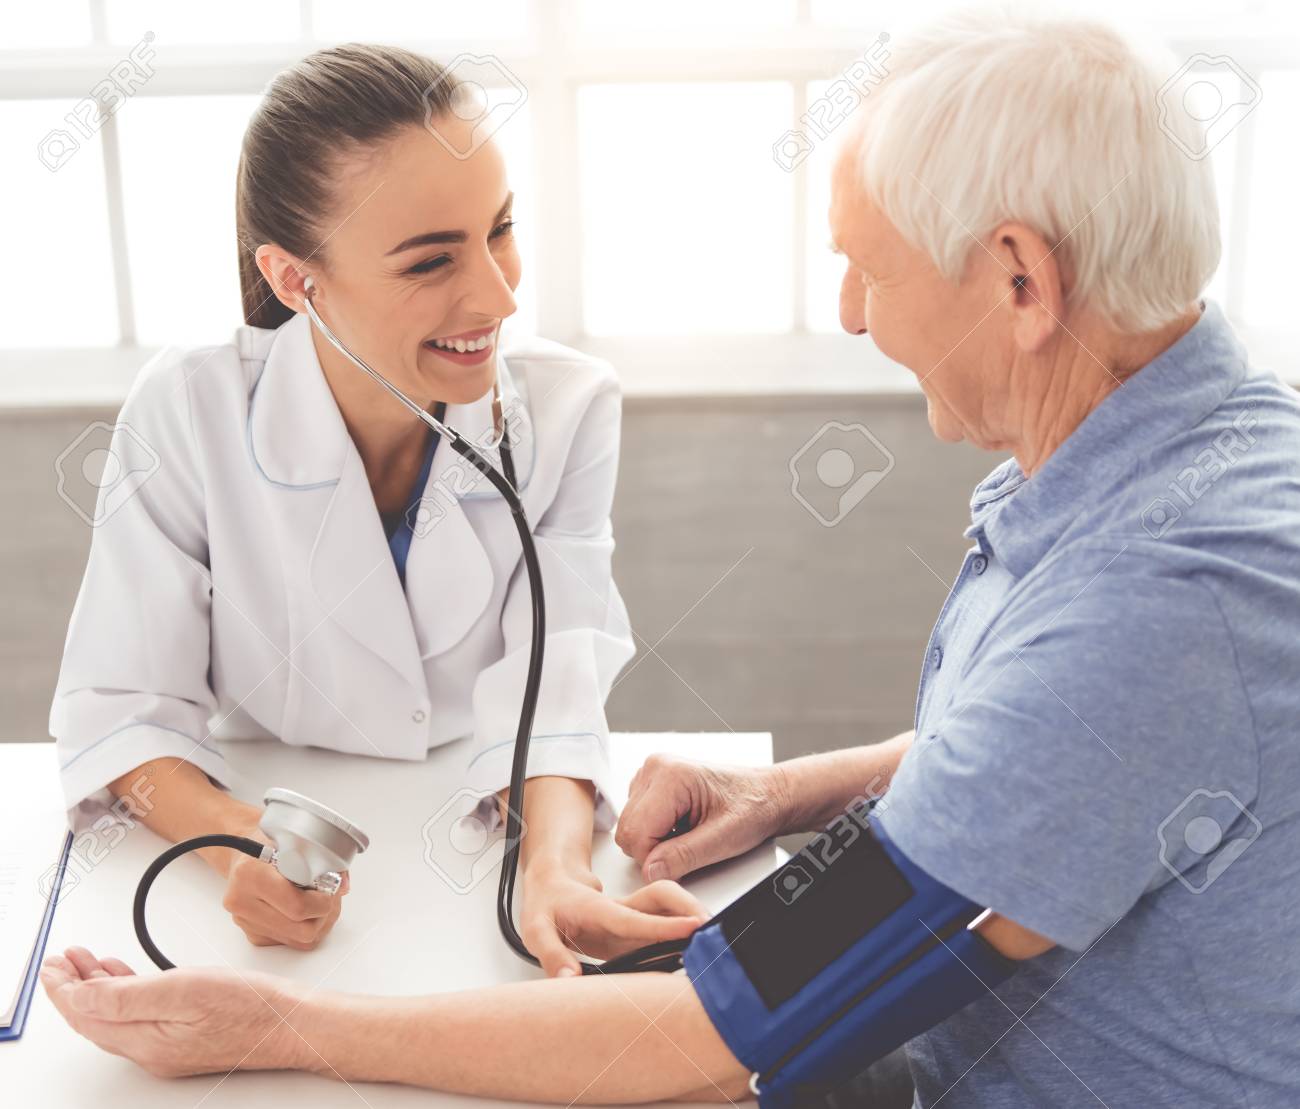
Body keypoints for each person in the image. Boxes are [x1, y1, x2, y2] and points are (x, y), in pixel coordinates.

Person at [42, 9, 1300, 1106]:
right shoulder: (1205, 458)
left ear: (1019, 278)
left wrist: (282, 1030)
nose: (854, 313)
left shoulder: (1155, 607)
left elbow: (734, 1018)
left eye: (867, 268)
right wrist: (788, 792)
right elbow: (1050, 754)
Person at [48, 43, 707, 978]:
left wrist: (554, 867)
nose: (500, 293)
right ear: (294, 280)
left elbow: (554, 686)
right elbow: (121, 708)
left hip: (470, 832)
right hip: (271, 821)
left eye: (502, 228)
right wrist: (237, 839)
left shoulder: (567, 409)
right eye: (431, 261)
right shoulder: (188, 408)